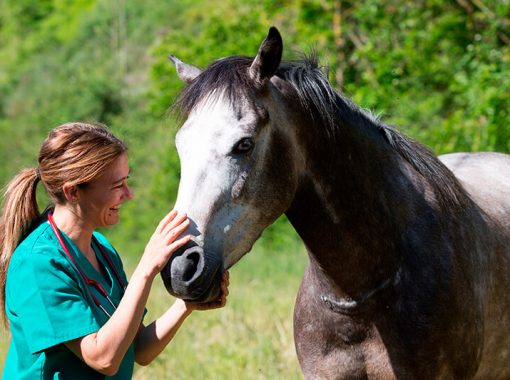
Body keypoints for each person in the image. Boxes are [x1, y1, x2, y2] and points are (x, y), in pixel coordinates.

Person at [0, 122, 229, 379]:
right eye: (116, 185)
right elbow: (103, 358)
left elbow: (138, 347)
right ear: (73, 191)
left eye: (126, 181)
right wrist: (146, 269)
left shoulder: (102, 250)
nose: (128, 194)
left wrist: (186, 305)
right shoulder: (37, 263)